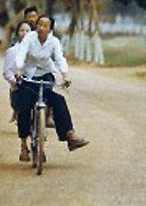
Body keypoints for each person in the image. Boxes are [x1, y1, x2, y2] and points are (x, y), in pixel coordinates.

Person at [11, 14, 89, 161]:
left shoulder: (54, 42)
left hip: (46, 75)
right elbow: (21, 53)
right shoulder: (30, 38)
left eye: (45, 26)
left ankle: (69, 135)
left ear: (50, 29)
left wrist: (65, 75)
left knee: (58, 100)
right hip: (28, 76)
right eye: (39, 24)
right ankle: (23, 144)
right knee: (24, 107)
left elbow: (59, 59)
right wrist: (19, 69)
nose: (41, 28)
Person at [3, 21, 32, 121]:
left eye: (28, 31)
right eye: (22, 30)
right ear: (17, 33)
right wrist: (14, 81)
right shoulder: (12, 51)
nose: (25, 33)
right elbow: (7, 71)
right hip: (20, 84)